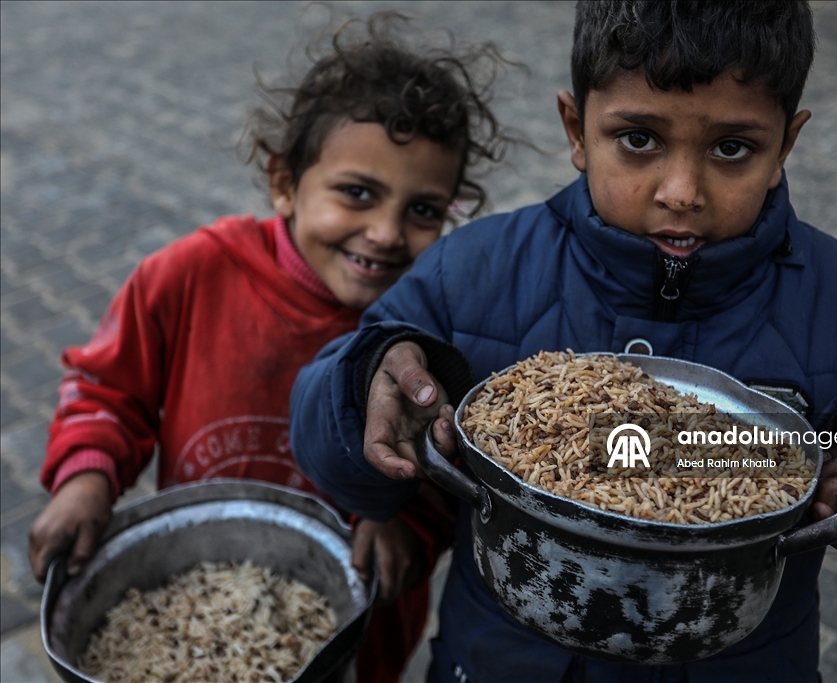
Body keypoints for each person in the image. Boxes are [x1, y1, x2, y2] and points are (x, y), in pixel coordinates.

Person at [288, 2, 837, 682]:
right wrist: (364, 384)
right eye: (638, 139)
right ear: (577, 130)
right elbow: (332, 439)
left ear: (786, 144)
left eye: (733, 148)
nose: (681, 190)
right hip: (497, 658)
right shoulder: (470, 273)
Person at [28, 13, 516, 683]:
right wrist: (87, 476)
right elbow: (108, 388)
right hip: (194, 616)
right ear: (284, 181)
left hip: (357, 627)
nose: (385, 232)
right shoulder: (190, 275)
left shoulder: (430, 333)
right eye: (358, 193)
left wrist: (408, 524)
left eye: (423, 210)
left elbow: (451, 463)